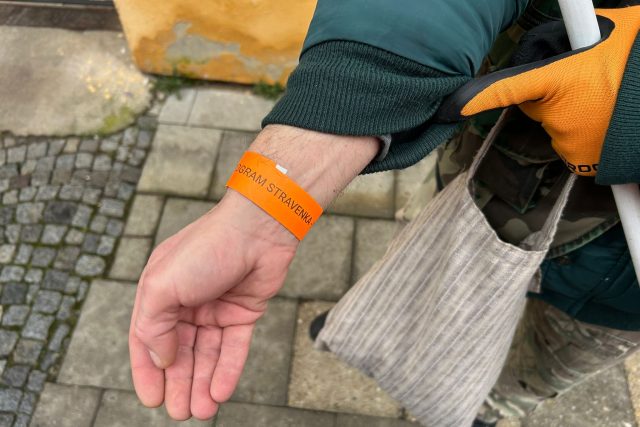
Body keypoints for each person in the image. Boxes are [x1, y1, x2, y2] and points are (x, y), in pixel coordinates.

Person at [128, 0, 640, 424]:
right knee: (421, 270)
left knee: (531, 370)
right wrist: (260, 213)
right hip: (482, 176)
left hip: (615, 292)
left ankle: (485, 407)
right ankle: (376, 324)